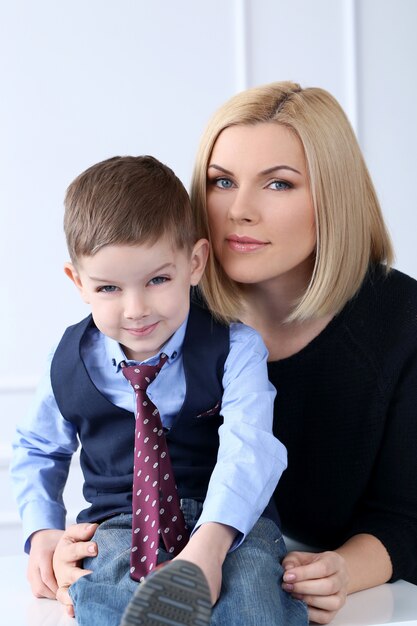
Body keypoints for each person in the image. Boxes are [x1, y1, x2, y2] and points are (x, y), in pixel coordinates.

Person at [53, 81, 417, 625]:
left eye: (278, 183)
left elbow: (406, 516)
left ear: (332, 197)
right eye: (221, 181)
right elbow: (126, 475)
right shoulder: (162, 308)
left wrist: (343, 568)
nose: (238, 211)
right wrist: (68, 544)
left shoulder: (400, 320)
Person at [10, 155, 307, 626]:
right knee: (104, 597)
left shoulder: (235, 347)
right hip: (117, 521)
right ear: (78, 282)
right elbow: (38, 449)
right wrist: (43, 532)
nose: (136, 309)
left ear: (195, 263)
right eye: (109, 287)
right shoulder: (68, 360)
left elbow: (250, 448)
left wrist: (208, 550)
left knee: (250, 598)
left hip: (228, 520)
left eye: (158, 280)